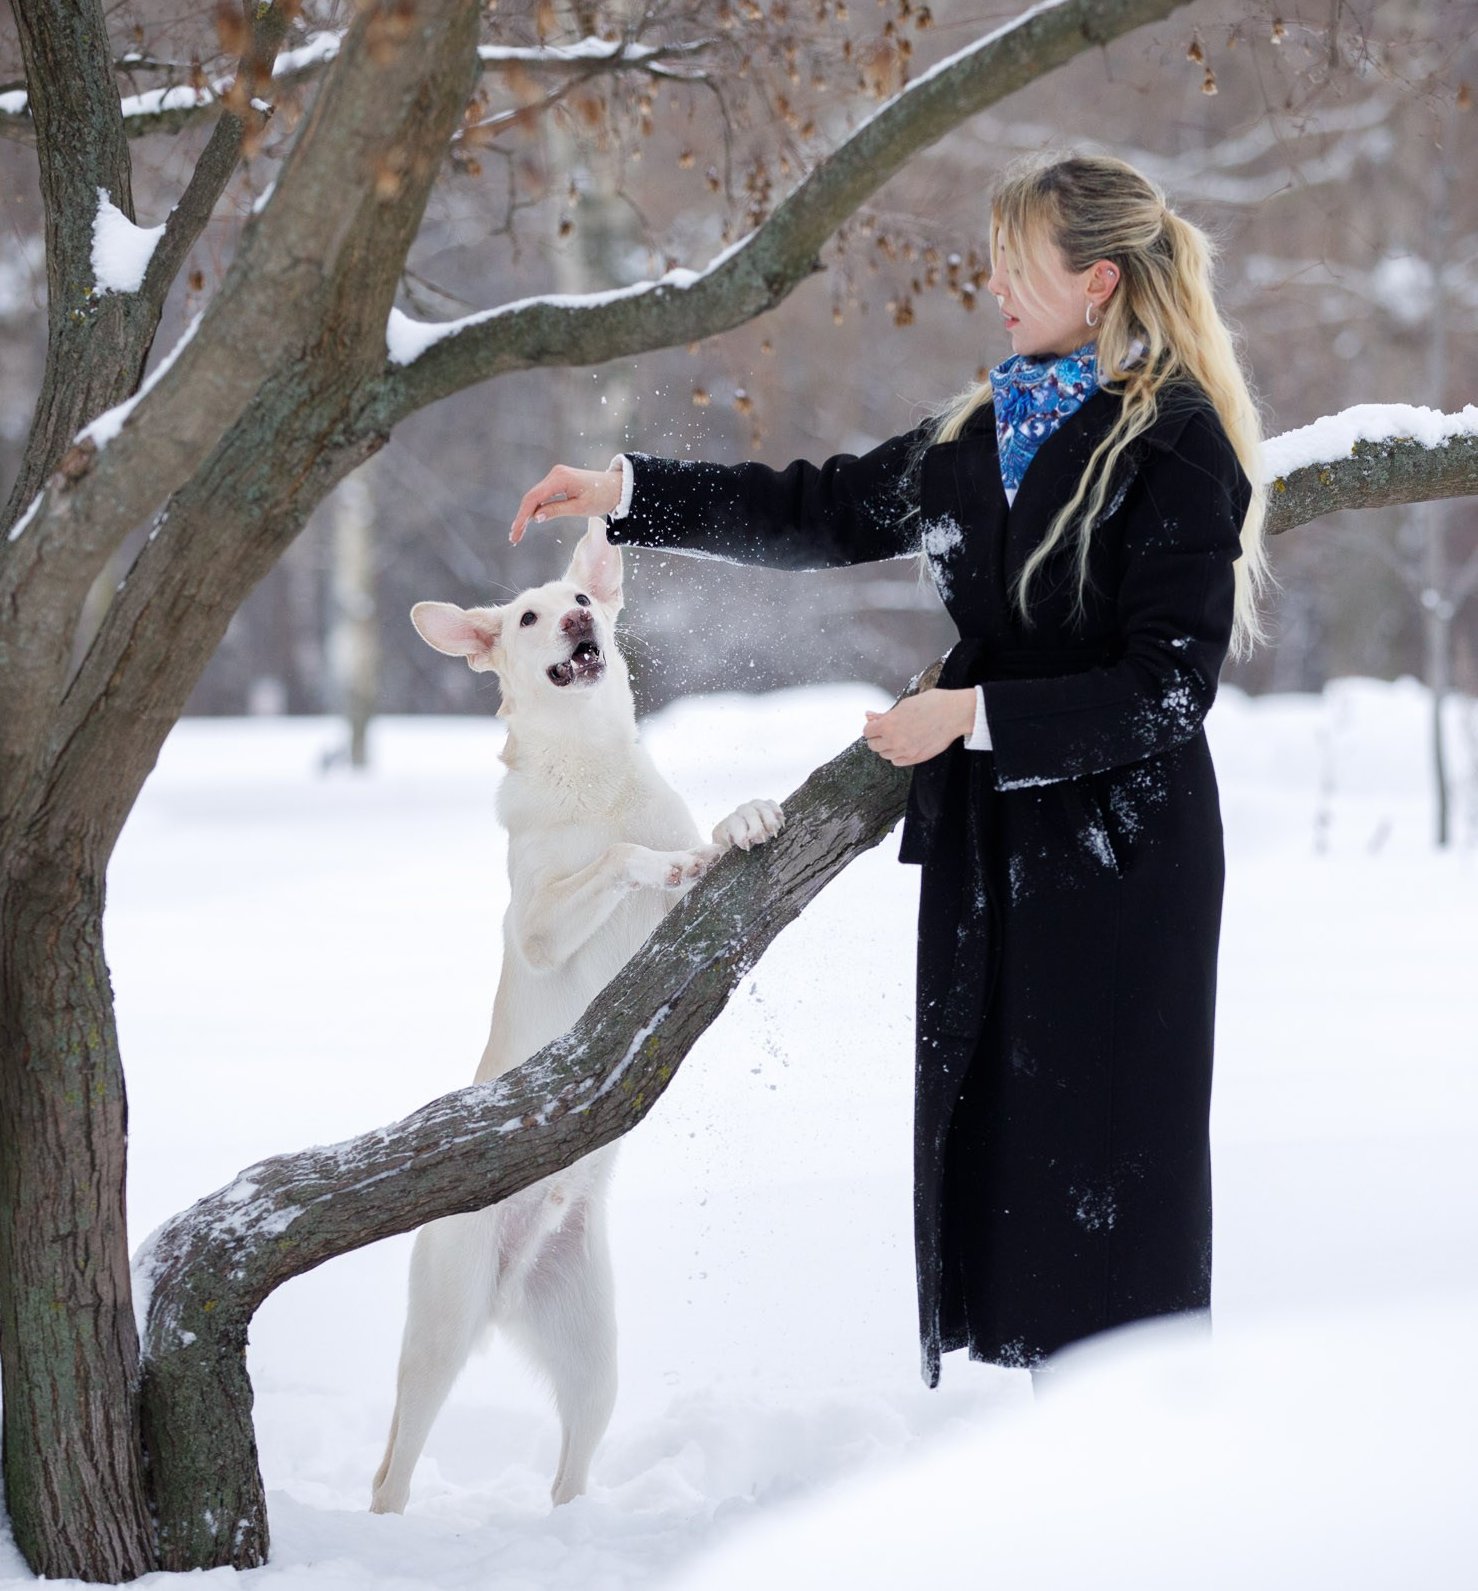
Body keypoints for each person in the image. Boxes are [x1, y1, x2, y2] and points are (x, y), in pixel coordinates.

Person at [508, 152, 1271, 1384]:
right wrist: (630, 491)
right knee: (1012, 1164)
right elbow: (821, 508)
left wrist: (971, 718)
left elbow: (1167, 689)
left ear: (1098, 280)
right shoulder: (984, 431)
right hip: (995, 857)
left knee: (1113, 1176)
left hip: (1123, 865)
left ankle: (1148, 1473)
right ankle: (1052, 1450)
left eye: (1015, 267)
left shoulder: (1177, 441)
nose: (994, 289)